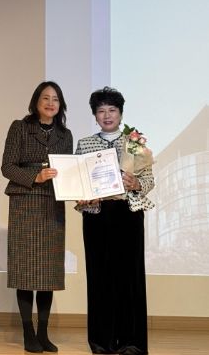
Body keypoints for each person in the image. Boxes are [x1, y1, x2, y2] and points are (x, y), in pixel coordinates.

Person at [75, 87, 155, 355]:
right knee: (99, 277)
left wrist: (136, 184)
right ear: (95, 115)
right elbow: (78, 182)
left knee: (130, 278)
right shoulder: (85, 144)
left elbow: (149, 180)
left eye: (112, 110)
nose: (107, 115)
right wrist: (82, 195)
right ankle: (102, 342)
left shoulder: (134, 142)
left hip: (127, 215)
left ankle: (131, 342)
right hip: (97, 216)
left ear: (120, 113)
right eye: (101, 111)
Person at [1, 81, 73, 353]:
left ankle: (43, 332)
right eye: (46, 98)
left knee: (48, 272)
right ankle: (27, 332)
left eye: (55, 99)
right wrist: (35, 176)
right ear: (36, 102)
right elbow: (7, 167)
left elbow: (69, 171)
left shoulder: (65, 134)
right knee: (26, 270)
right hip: (25, 201)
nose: (50, 103)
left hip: (53, 203)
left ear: (60, 104)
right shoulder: (19, 127)